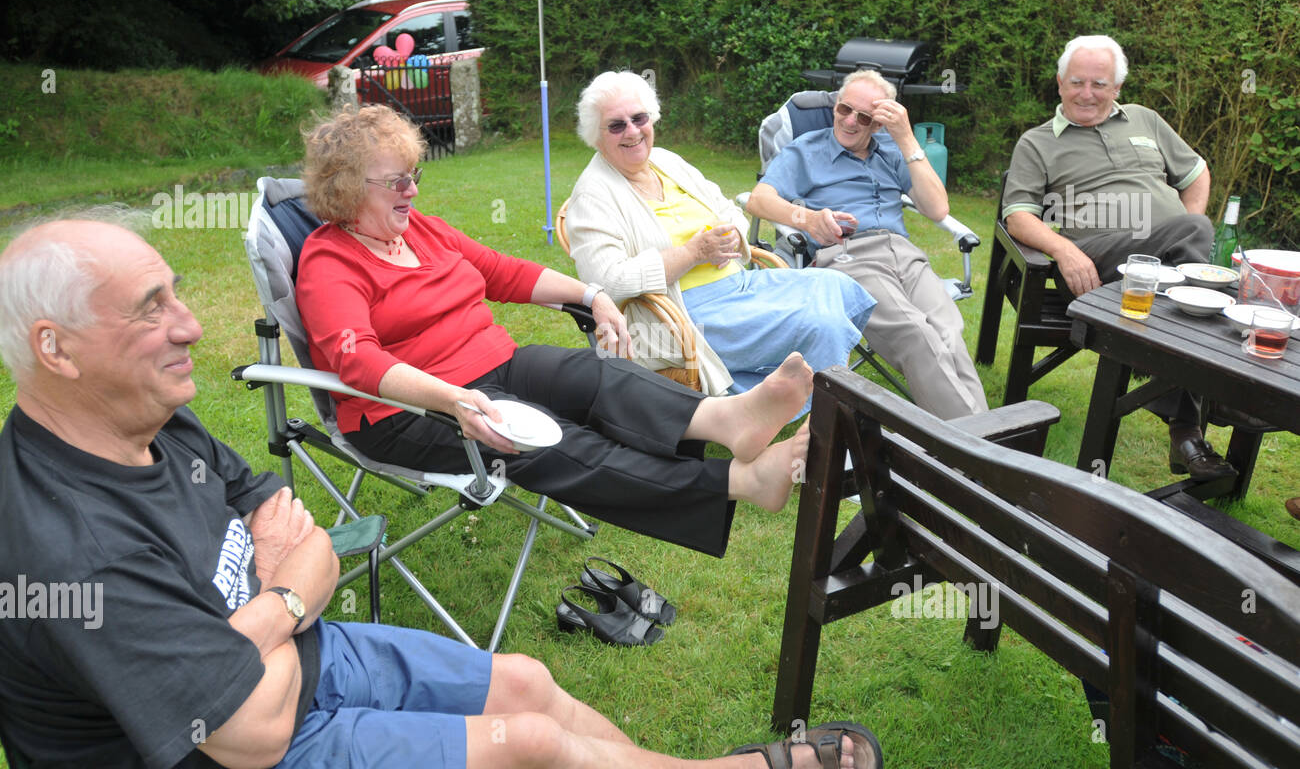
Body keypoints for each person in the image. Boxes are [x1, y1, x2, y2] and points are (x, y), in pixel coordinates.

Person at [0, 219, 883, 769]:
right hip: (249, 736)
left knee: (531, 682)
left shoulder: (154, 421)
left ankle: (726, 431)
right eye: (152, 308)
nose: (191, 325)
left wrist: (263, 613)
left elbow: (303, 534)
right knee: (527, 743)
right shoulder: (70, 546)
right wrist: (288, 594)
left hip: (301, 653)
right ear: (60, 349)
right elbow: (252, 735)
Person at [294, 105, 810, 559]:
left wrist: (591, 295)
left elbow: (500, 271)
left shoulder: (422, 229)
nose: (412, 190)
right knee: (555, 443)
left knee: (596, 376)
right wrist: (454, 400)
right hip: (407, 411)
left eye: (414, 175)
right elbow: (357, 360)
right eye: (396, 182)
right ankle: (744, 481)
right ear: (345, 190)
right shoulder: (329, 261)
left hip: (493, 363)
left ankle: (729, 418)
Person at [565, 71, 875, 409]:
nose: (633, 131)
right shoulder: (593, 195)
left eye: (639, 118)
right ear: (595, 135)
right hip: (685, 314)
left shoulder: (666, 162)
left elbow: (729, 210)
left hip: (740, 284)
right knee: (820, 322)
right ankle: (821, 421)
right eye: (616, 125)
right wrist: (693, 252)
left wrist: (730, 238)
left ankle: (794, 392)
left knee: (835, 284)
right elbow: (607, 283)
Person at [1002, 34, 1230, 481]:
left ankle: (1187, 426)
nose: (1087, 93)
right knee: (1197, 252)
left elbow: (1196, 170)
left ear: (1117, 88)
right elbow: (1018, 215)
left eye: (1099, 84)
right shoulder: (1037, 142)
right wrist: (1063, 248)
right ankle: (1201, 415)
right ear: (1060, 83)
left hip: (1160, 269)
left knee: (1193, 288)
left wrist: (1184, 224)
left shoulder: (1145, 120)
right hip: (1093, 261)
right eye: (1077, 82)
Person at [745, 69, 990, 420]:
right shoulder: (807, 150)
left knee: (948, 330)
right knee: (915, 332)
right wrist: (809, 220)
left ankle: (981, 443)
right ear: (835, 106)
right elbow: (758, 199)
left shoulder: (893, 149)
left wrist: (906, 139)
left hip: (905, 255)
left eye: (863, 117)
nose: (849, 121)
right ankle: (981, 449)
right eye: (844, 109)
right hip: (848, 257)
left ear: (877, 124)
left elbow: (937, 208)